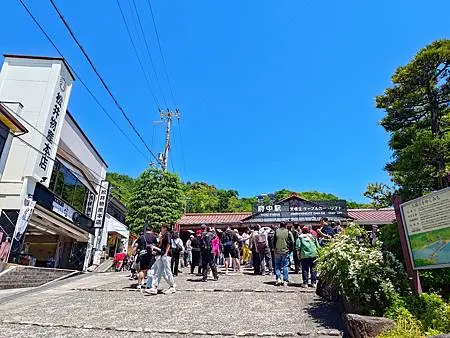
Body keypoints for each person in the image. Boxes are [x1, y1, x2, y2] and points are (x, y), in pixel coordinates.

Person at [147, 225, 176, 295]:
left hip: (166, 255)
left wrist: (166, 253)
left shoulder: (168, 234)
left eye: (162, 228)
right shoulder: (163, 236)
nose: (161, 230)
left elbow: (169, 244)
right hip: (162, 255)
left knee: (168, 270)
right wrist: (160, 238)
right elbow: (160, 245)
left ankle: (172, 286)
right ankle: (154, 287)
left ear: (165, 229)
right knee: (159, 272)